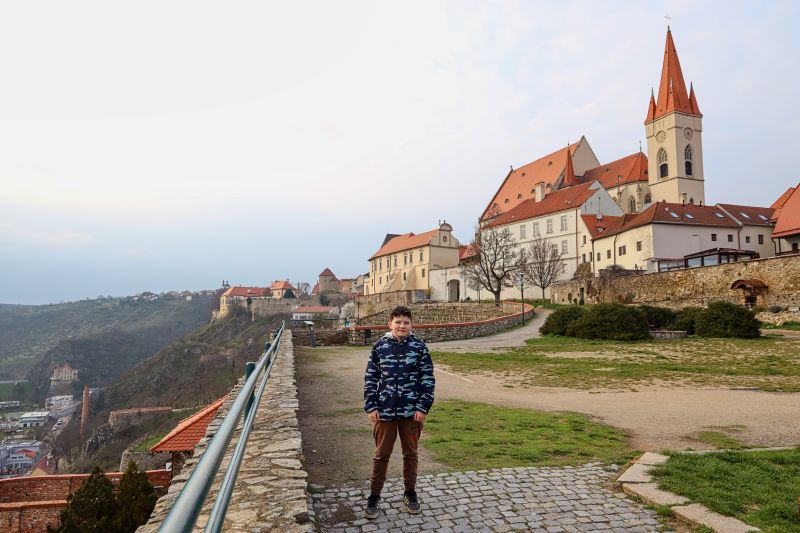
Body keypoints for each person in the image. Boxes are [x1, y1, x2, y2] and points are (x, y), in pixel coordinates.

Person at [363, 305, 435, 519]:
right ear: (390, 324)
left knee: (410, 454)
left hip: (411, 412)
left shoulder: (419, 347)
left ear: (411, 325)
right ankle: (374, 496)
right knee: (381, 454)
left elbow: (427, 379)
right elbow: (371, 377)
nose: (402, 326)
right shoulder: (380, 346)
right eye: (398, 322)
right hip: (384, 411)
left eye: (406, 322)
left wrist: (422, 407)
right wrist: (371, 406)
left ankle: (410, 493)